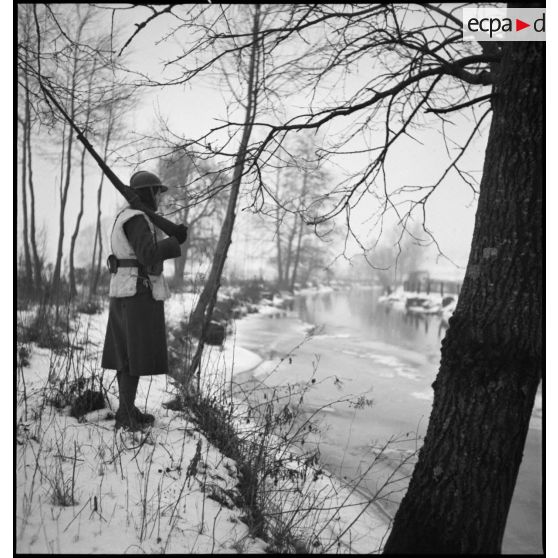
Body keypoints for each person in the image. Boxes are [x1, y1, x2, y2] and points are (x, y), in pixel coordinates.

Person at [101, 170, 187, 431]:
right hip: (137, 292)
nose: (160, 197)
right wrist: (174, 242)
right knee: (132, 355)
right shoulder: (137, 219)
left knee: (126, 355)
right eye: (157, 192)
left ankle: (126, 410)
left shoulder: (128, 216)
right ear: (148, 193)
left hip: (127, 290)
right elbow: (148, 255)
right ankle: (125, 415)